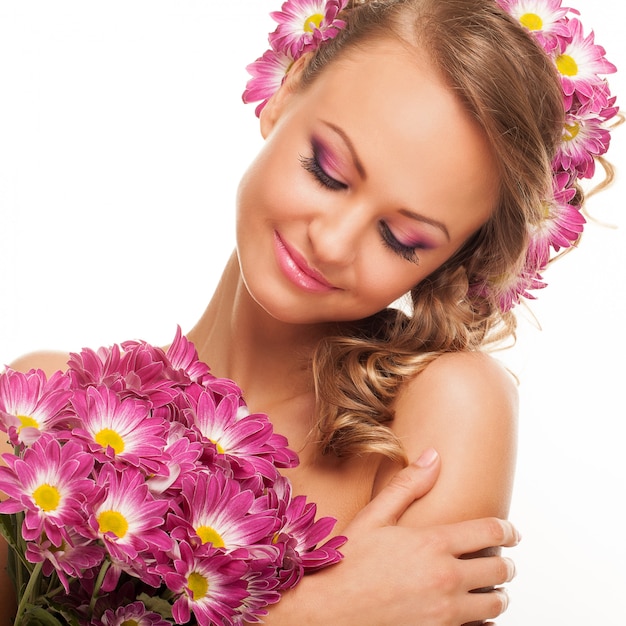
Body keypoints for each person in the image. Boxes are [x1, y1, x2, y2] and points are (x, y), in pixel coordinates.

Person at [0, 0, 617, 624]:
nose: (333, 242)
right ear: (285, 93)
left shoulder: (445, 408)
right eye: (327, 171)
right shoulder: (44, 405)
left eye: (402, 238)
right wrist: (313, 614)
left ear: (449, 264)